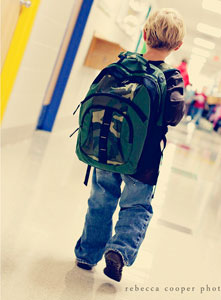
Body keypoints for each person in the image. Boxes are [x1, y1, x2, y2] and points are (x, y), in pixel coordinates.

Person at [74, 8, 186, 282]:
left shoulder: (121, 65)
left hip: (107, 149)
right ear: (177, 46)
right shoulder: (172, 77)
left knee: (101, 199)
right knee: (136, 205)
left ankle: (87, 255)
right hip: (143, 159)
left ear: (145, 34)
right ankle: (120, 251)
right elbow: (173, 118)